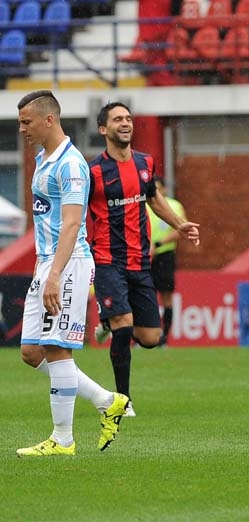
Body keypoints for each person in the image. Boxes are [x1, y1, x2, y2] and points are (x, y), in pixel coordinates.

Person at [16, 90, 129, 456]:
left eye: (26, 122)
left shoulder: (71, 164)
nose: (22, 129)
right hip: (47, 262)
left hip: (68, 262)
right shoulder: (41, 157)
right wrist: (42, 268)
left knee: (57, 348)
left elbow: (70, 224)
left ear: (49, 119)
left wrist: (54, 274)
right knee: (32, 352)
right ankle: (107, 400)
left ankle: (62, 440)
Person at [90, 102, 200, 417]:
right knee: (124, 326)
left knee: (150, 338)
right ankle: (122, 401)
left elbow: (153, 198)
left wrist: (180, 225)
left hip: (141, 261)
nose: (125, 123)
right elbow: (76, 211)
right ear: (103, 129)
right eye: (117, 119)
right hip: (108, 259)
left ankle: (107, 321)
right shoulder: (94, 171)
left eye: (128, 118)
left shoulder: (145, 163)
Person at [148, 177, 186, 346]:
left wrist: (158, 244)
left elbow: (181, 230)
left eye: (158, 188)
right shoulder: (144, 205)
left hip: (164, 255)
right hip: (144, 256)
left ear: (163, 190)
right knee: (145, 295)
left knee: (166, 296)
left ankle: (164, 337)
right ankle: (144, 336)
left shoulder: (175, 206)